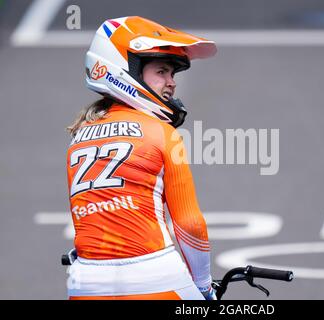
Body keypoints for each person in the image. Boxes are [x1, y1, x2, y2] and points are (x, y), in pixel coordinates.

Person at [65, 16, 217, 300]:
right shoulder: (161, 132)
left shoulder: (78, 137)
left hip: (85, 281)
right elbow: (189, 223)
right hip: (155, 276)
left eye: (173, 74)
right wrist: (204, 285)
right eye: (162, 71)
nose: (171, 83)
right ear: (128, 70)